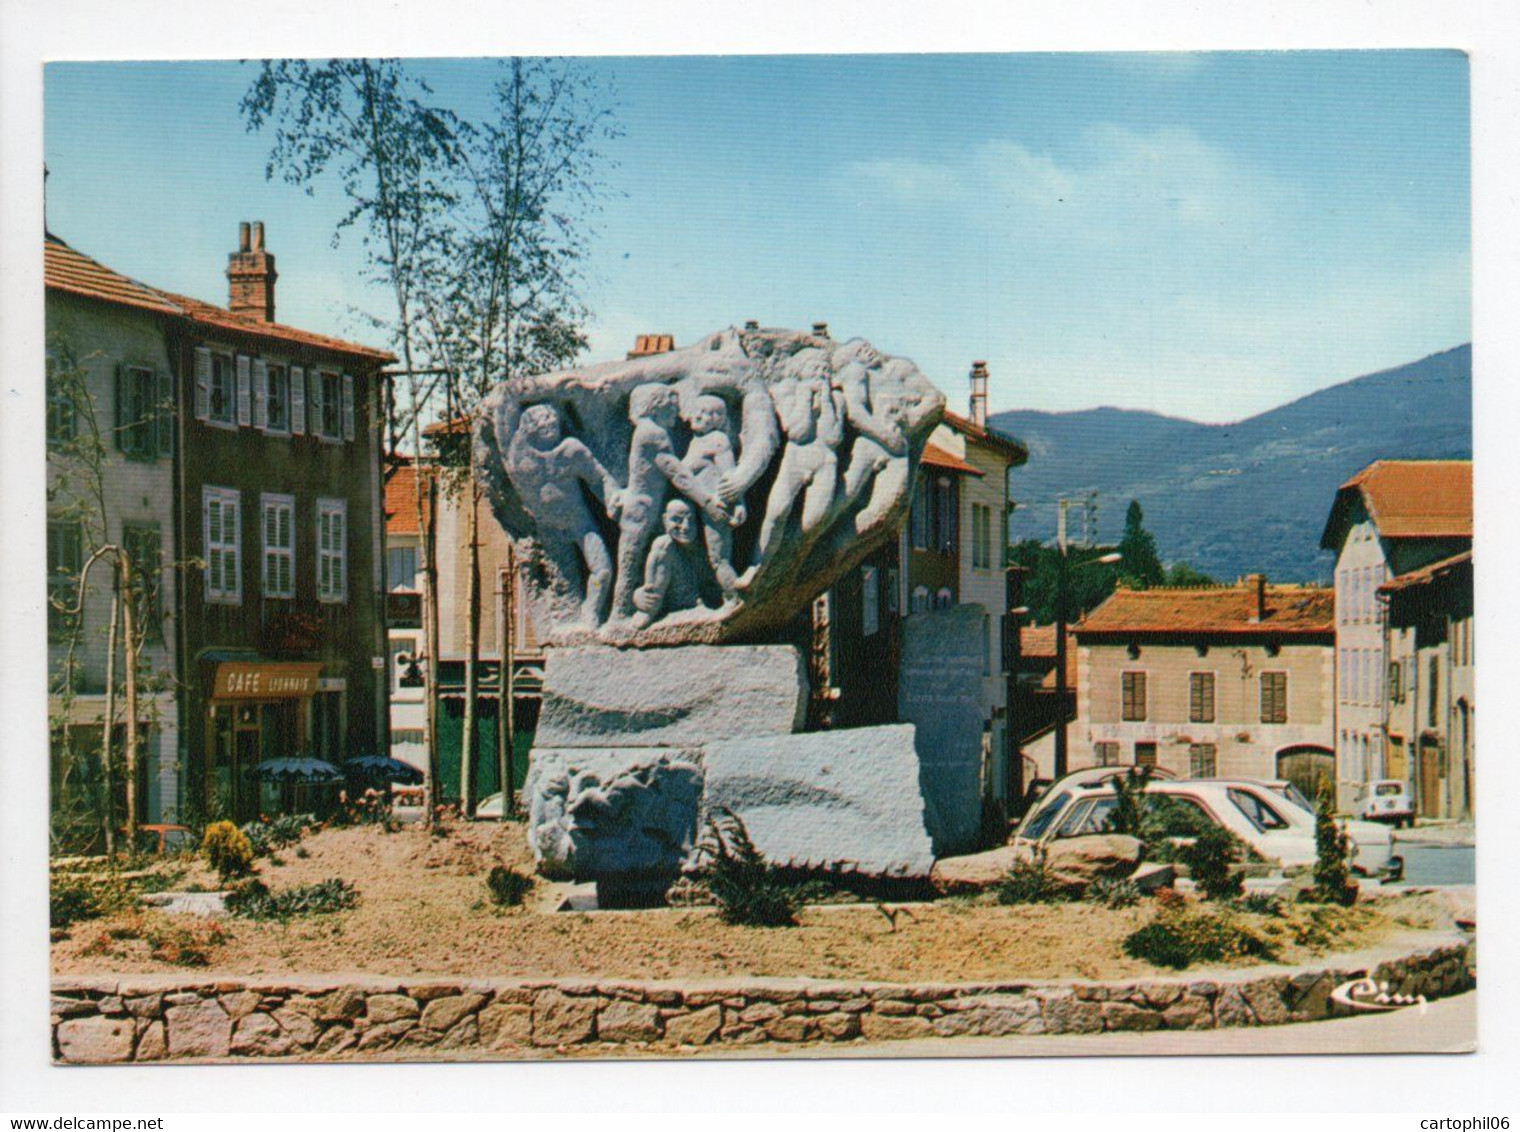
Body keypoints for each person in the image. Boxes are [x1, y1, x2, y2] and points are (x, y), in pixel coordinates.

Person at [611, 383, 730, 621]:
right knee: (629, 564)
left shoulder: (646, 430)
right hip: (642, 509)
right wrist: (707, 501)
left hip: (647, 506)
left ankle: (632, 610)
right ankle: (619, 615)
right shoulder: (652, 433)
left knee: (641, 558)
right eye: (672, 408)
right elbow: (677, 473)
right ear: (656, 407)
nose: (677, 415)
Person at [504, 403, 622, 629]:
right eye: (541, 420)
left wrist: (613, 496)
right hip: (547, 531)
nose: (549, 422)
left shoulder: (571, 450)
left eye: (551, 418)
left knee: (603, 569)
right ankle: (569, 626)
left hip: (579, 522)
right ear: (528, 427)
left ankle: (592, 613)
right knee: (564, 589)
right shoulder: (519, 454)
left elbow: (599, 478)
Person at [681, 394, 747, 605]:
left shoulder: (718, 440)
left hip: (717, 506)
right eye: (698, 410)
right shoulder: (696, 441)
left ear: (718, 419)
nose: (699, 416)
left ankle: (735, 600)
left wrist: (739, 503)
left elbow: (730, 474)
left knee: (719, 559)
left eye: (708, 413)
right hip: (700, 507)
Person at [630, 498, 708, 629]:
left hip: (697, 604)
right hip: (668, 604)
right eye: (677, 519)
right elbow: (636, 580)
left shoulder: (703, 546)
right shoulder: (664, 545)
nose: (685, 526)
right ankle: (649, 610)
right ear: (664, 520)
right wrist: (640, 596)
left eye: (691, 520)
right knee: (664, 543)